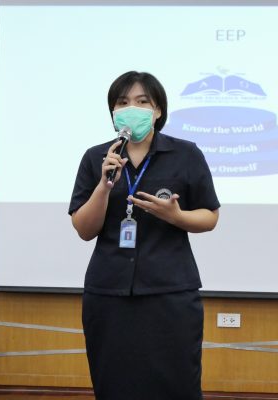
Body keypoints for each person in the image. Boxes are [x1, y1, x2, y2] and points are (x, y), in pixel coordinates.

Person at [69, 71, 220, 400]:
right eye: (122, 102)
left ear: (158, 110)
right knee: (114, 384)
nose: (131, 109)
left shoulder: (186, 154)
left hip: (170, 292)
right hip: (109, 292)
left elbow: (210, 217)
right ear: (113, 111)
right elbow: (84, 229)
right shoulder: (96, 158)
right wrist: (104, 186)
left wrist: (176, 217)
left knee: (176, 385)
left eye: (141, 102)